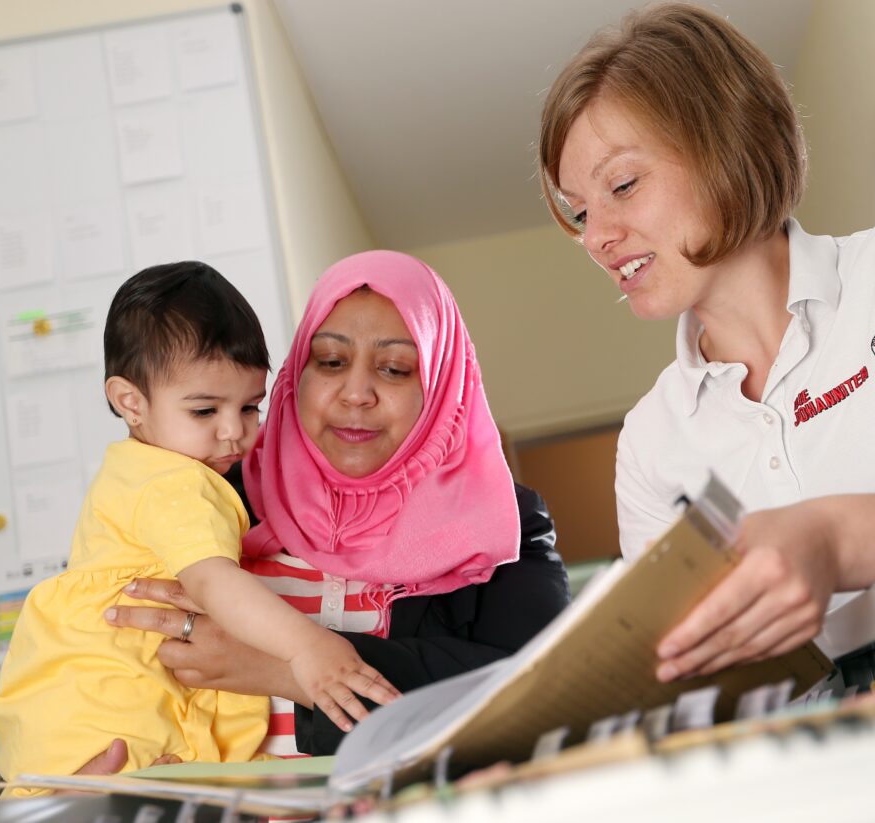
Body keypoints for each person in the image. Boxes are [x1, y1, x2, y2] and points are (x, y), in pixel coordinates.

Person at [536, 4, 875, 684]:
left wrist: (833, 538)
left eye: (623, 185)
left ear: (726, 139)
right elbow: (690, 681)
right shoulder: (648, 445)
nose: (595, 237)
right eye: (580, 212)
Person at [102, 251, 571, 759]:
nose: (356, 394)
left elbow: (544, 693)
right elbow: (99, 645)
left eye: (394, 369)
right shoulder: (211, 497)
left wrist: (284, 671)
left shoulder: (503, 525)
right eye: (330, 362)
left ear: (441, 385)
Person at [0, 262, 398, 793]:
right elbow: (213, 582)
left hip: (81, 705)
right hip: (115, 704)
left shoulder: (137, 469)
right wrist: (307, 649)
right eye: (205, 411)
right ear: (130, 402)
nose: (234, 432)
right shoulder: (176, 481)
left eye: (250, 407)